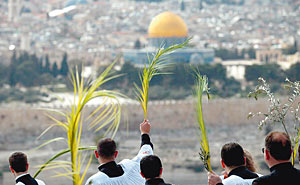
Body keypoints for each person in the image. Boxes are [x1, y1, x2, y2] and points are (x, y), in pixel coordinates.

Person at [85, 120, 153, 185]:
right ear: (116, 153)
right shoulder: (132, 166)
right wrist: (145, 133)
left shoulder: (94, 181)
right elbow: (146, 152)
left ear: (96, 154)